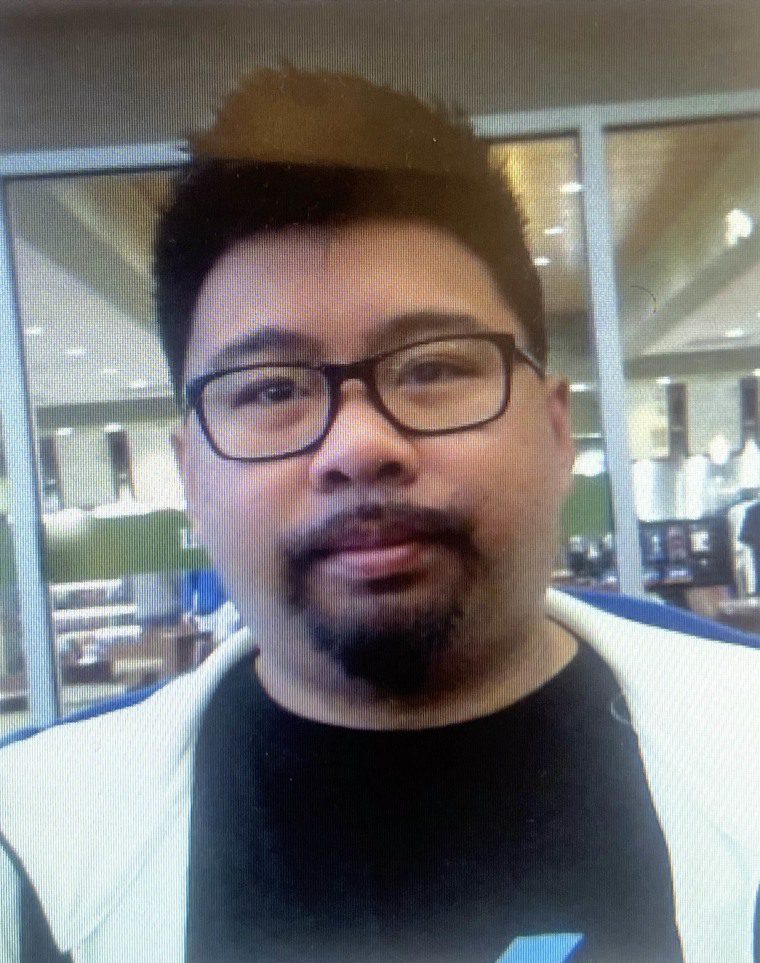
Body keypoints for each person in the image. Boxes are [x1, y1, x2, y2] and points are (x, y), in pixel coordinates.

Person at [0, 68, 758, 963]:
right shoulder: (32, 848)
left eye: (432, 367)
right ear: (193, 478)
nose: (358, 446)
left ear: (557, 431)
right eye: (270, 389)